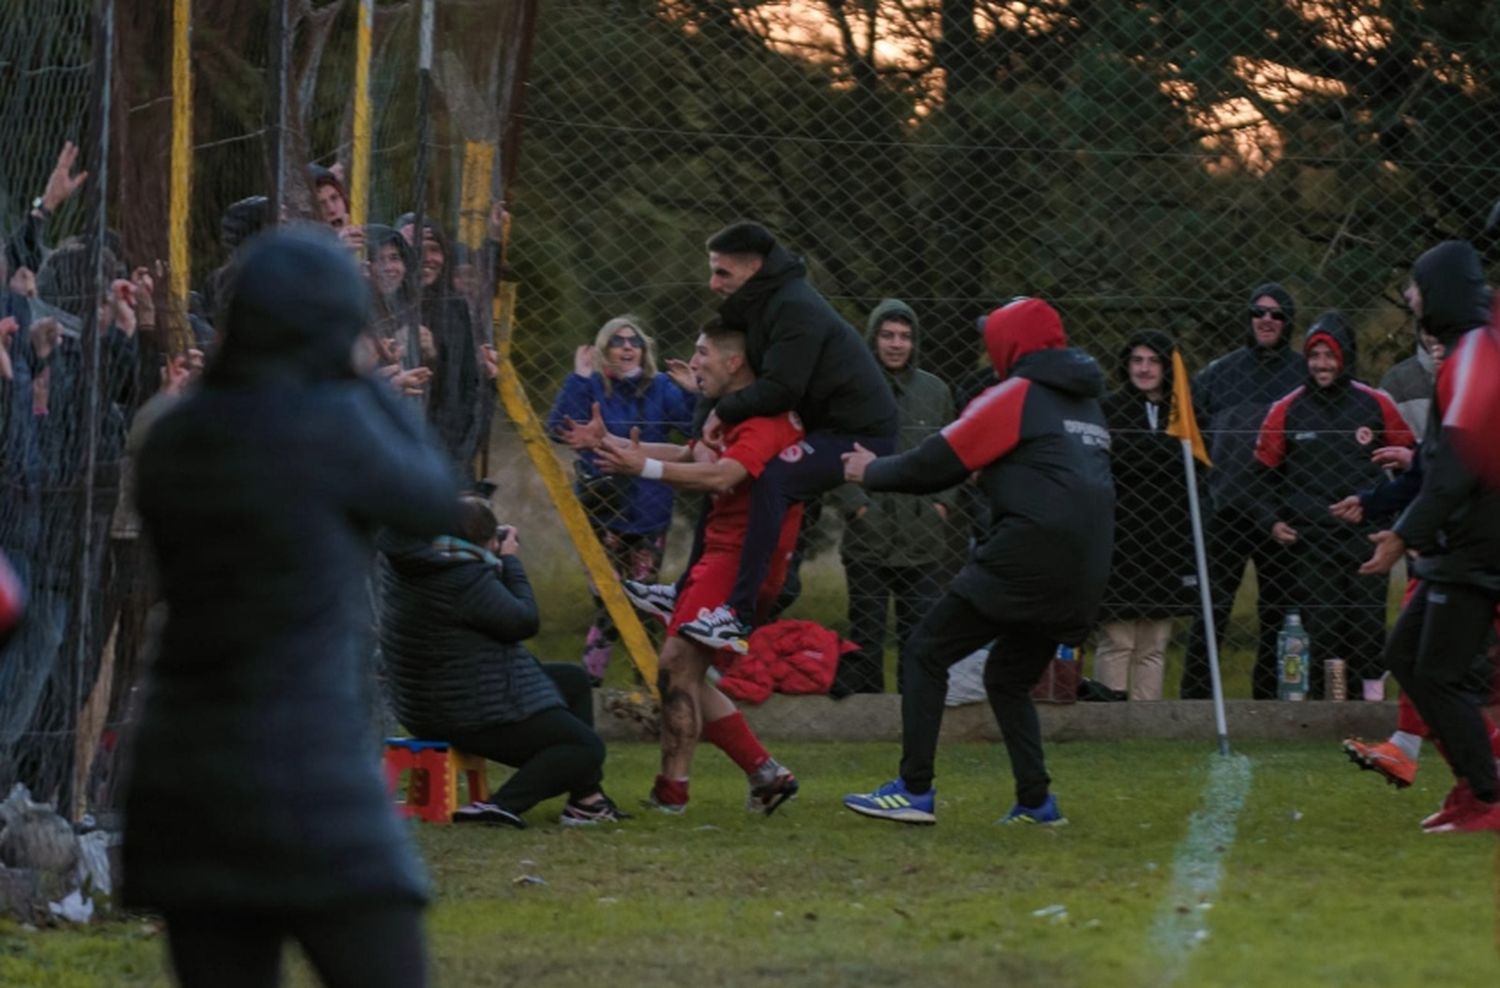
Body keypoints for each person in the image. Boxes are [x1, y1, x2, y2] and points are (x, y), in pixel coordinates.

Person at [121, 226, 461, 987]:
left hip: (182, 772)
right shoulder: (334, 424)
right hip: (309, 766)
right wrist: (368, 383)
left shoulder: (174, 433)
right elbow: (429, 498)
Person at [841, 297, 1114, 826]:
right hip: (1085, 572)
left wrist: (869, 471)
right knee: (1008, 677)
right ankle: (1036, 802)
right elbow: (1054, 475)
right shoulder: (1086, 405)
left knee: (924, 651)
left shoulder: (1016, 394)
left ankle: (913, 790)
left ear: (1011, 344)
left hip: (1026, 556)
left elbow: (932, 463)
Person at [560, 319, 801, 815]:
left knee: (674, 667)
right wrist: (619, 448)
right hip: (715, 555)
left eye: (702, 353)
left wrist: (643, 469)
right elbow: (694, 452)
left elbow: (721, 475)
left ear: (734, 363)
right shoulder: (727, 412)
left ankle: (674, 793)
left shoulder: (766, 419)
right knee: (683, 672)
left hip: (741, 564)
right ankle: (764, 773)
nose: (693, 363)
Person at [639, 222, 898, 651]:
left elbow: (782, 388)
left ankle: (737, 617)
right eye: (713, 270)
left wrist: (720, 411)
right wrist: (707, 427)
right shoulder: (752, 303)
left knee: (774, 480)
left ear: (755, 267)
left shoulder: (795, 307)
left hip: (858, 434)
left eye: (723, 272)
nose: (713, 283)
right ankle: (683, 590)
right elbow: (724, 372)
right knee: (722, 467)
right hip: (819, 424)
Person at [1359, 240, 1500, 833]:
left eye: (1416, 286)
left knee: (1439, 674)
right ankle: (1477, 785)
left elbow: (1457, 468)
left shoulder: (1474, 355)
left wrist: (1400, 534)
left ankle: (1487, 795)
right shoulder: (1468, 354)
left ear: (1437, 291)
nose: (1411, 299)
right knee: (1406, 659)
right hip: (1456, 545)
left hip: (1477, 548)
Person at [379, 496, 627, 828]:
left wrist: (486, 554)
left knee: (573, 680)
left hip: (427, 699)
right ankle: (499, 806)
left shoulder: (415, 561)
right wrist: (509, 562)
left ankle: (586, 801)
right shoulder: (462, 578)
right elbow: (522, 622)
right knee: (586, 748)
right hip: (465, 711)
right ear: (483, 541)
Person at [1252, 311, 1414, 700]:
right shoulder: (1286, 408)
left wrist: (1398, 521)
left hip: (1366, 536)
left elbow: (1411, 463)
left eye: (1330, 355)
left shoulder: (1376, 403)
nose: (1322, 364)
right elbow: (1261, 477)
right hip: (1312, 540)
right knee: (1321, 626)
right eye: (1315, 356)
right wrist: (1272, 520)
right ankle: (1328, 706)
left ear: (1345, 357)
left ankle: (1372, 704)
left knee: (1367, 626)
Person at [546, 316, 695, 683]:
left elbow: (696, 431)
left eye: (635, 342)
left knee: (643, 599)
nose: (627, 347)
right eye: (617, 341)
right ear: (603, 349)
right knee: (609, 600)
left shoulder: (661, 387)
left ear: (644, 351)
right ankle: (593, 681)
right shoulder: (593, 385)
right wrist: (579, 378)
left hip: (649, 509)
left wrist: (693, 393)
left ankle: (643, 682)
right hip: (602, 508)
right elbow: (559, 429)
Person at [1181, 283, 1305, 699]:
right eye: (1258, 312)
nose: (1266, 320)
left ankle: (1269, 700)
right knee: (1211, 610)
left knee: (1278, 610)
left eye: (1276, 314)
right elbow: (1190, 440)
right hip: (1226, 511)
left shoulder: (1303, 374)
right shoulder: (1219, 373)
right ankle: (1196, 700)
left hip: (1280, 514)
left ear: (1288, 322)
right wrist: (1206, 493)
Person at [828, 298, 954, 695]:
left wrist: (943, 504)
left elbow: (955, 450)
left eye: (904, 336)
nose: (896, 344)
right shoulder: (849, 387)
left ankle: (913, 706)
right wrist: (857, 505)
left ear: (915, 341)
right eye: (887, 335)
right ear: (873, 338)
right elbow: (832, 448)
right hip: (869, 534)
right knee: (866, 628)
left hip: (923, 534)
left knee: (918, 630)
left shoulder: (935, 390)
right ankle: (868, 713)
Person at [1092, 330, 1199, 701]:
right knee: (1118, 637)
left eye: (1153, 361)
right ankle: (1109, 714)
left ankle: (1146, 720)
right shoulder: (1108, 409)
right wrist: (1157, 458)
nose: (1144, 368)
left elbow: (1194, 467)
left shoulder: (1183, 411)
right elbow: (1112, 460)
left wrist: (1147, 458)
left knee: (1154, 640)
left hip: (1168, 538)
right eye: (1137, 360)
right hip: (1120, 535)